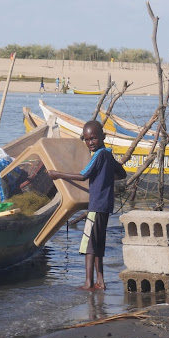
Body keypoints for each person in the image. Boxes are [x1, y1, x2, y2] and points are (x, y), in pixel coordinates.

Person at [48, 120, 126, 290]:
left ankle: (88, 282)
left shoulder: (98, 155)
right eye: (87, 139)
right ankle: (101, 281)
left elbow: (83, 176)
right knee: (98, 244)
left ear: (103, 137)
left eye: (94, 138)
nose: (90, 143)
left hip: (96, 205)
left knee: (89, 246)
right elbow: (122, 174)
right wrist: (105, 178)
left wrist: (57, 174)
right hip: (106, 206)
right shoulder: (108, 154)